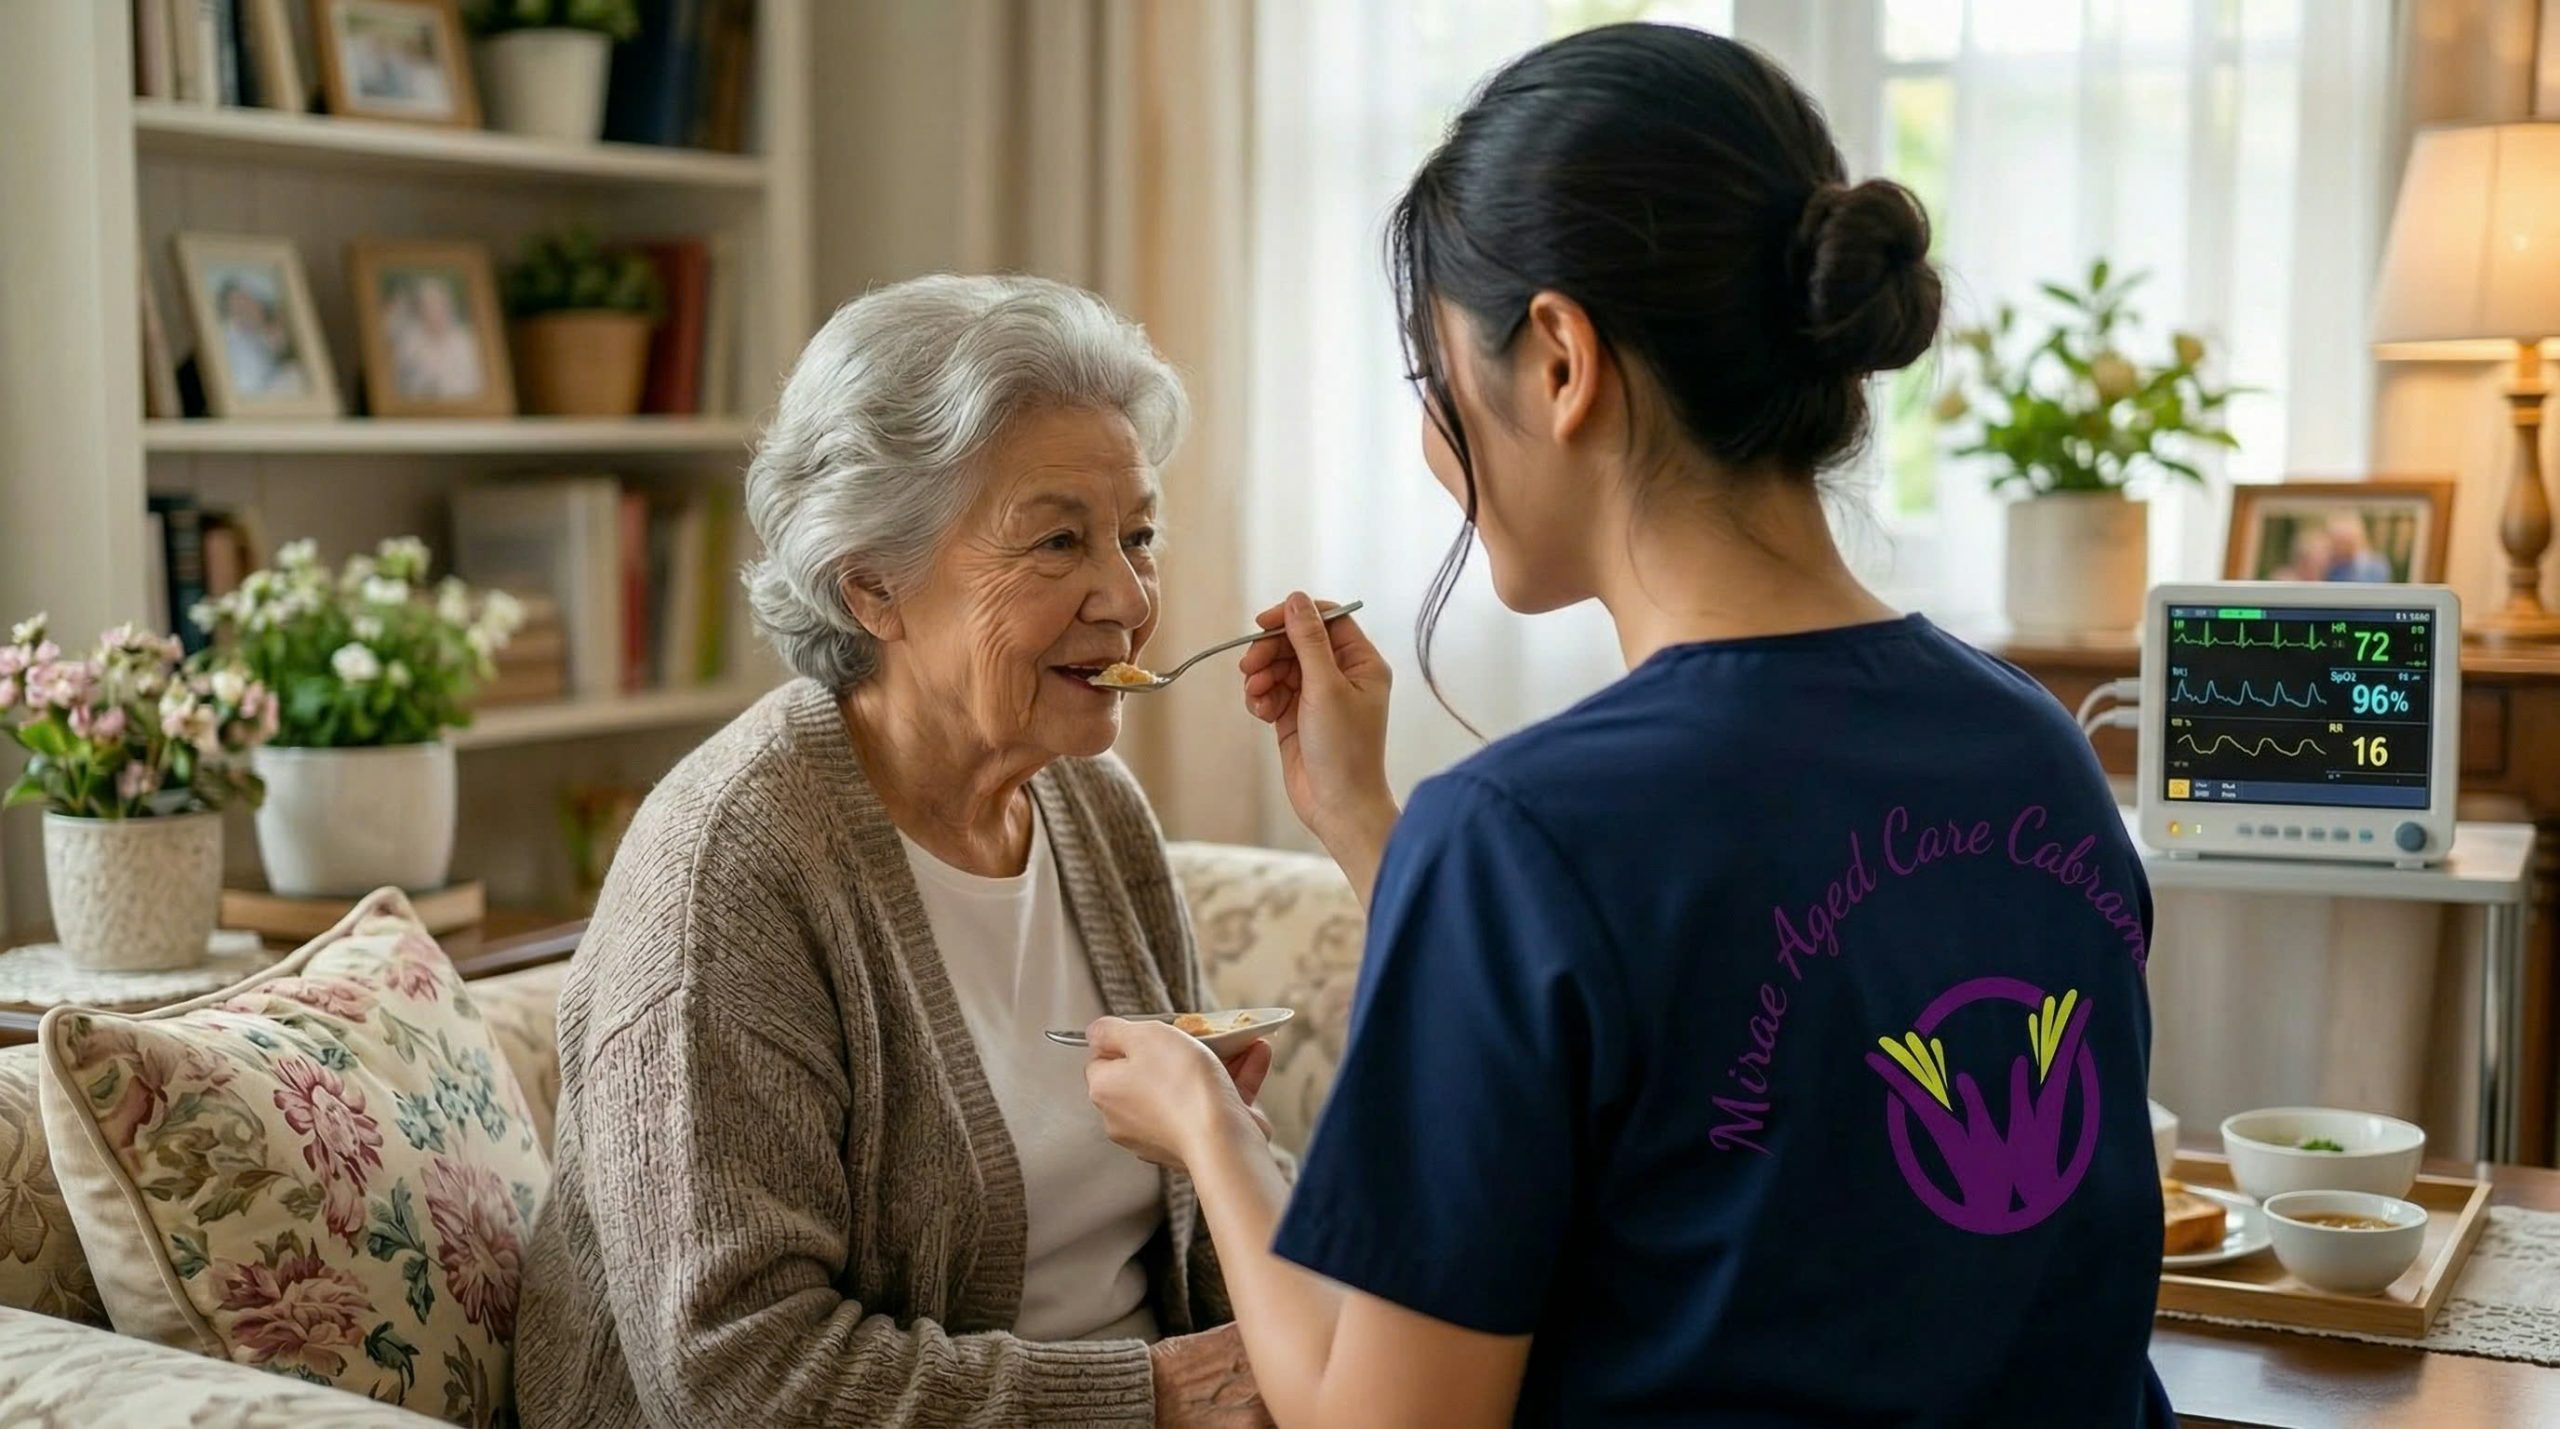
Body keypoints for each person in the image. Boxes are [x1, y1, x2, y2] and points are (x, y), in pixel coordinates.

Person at [1083, 24, 2169, 1428]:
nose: (1431, 443)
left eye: (1433, 381)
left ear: (1557, 359)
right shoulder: (2039, 749)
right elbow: (1703, 1077)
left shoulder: (1525, 837)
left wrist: (1213, 1135)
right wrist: (1370, 827)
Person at [516, 275, 1272, 1428]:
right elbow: (736, 1375)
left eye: (1137, 535)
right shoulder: (732, 872)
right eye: (1059, 540)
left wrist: (1236, 1170)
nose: (1125, 595)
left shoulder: (1095, 810)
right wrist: (1150, 1397)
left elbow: (1202, 1264)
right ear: (873, 584)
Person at [385, 275, 483, 401]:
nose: (435, 313)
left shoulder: (466, 341)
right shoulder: (410, 343)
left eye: (440, 305)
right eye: (429, 307)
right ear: (421, 311)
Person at [215, 278, 306, 397]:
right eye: (239, 307)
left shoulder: (275, 323)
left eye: (247, 300)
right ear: (232, 317)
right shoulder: (234, 342)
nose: (248, 308)